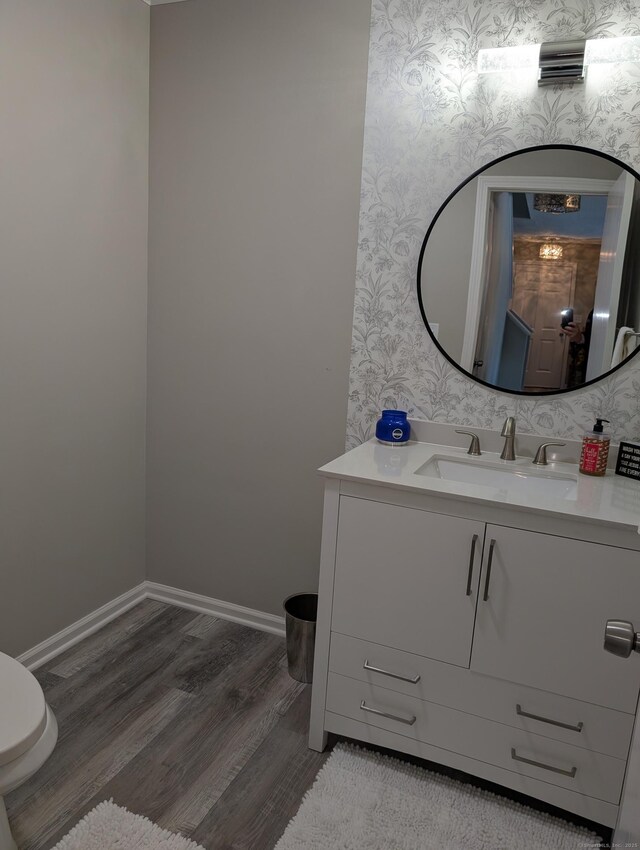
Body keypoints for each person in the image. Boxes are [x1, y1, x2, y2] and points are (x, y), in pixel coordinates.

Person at [561, 309, 592, 386]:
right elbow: (588, 336)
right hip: (588, 361)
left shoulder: (594, 312)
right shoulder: (593, 312)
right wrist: (579, 337)